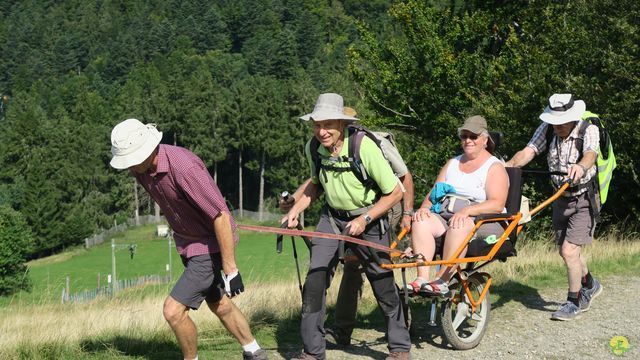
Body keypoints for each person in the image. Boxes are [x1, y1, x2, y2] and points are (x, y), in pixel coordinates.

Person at [109, 119, 267, 360]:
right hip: (189, 245)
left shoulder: (184, 167)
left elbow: (221, 215)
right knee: (219, 304)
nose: (129, 166)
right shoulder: (140, 169)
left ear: (147, 149)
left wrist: (230, 269)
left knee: (173, 311)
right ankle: (254, 351)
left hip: (209, 245)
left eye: (132, 158)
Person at [284, 93, 411, 360]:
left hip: (370, 219)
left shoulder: (364, 147)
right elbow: (316, 185)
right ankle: (313, 352)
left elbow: (395, 192)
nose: (321, 131)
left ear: (341, 124)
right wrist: (295, 209)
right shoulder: (313, 148)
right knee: (315, 281)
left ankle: (399, 348)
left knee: (382, 281)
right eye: (317, 125)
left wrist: (364, 219)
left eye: (328, 124)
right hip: (331, 218)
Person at [506, 93, 603, 321]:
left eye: (562, 122)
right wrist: (506, 166)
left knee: (569, 250)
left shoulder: (588, 129)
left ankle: (574, 302)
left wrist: (580, 166)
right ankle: (590, 284)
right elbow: (529, 151)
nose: (557, 126)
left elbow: (590, 154)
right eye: (554, 122)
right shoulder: (547, 128)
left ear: (573, 117)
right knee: (566, 250)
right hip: (559, 196)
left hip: (584, 197)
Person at [406, 115, 508, 296]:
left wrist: (467, 211)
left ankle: (443, 279)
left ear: (485, 140)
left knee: (459, 223)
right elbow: (435, 193)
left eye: (473, 136)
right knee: (421, 221)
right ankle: (422, 277)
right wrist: (424, 208)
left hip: (484, 219)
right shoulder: (452, 163)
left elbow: (497, 204)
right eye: (464, 136)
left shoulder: (494, 166)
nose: (468, 140)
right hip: (448, 213)